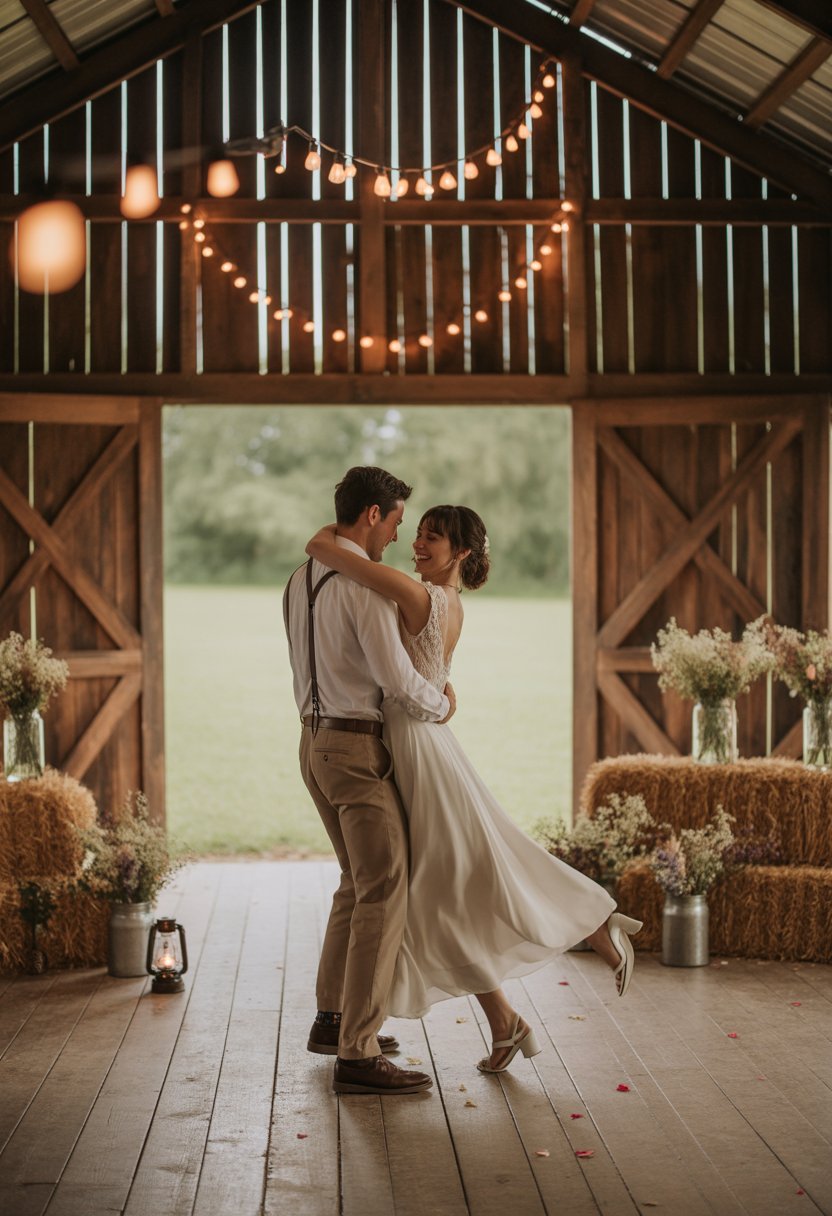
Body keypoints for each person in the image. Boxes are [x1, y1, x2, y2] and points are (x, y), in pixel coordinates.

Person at [306, 503, 642, 1073]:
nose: (417, 546)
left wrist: (327, 531)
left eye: (432, 539)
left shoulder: (420, 597)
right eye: (416, 535)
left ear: (461, 552)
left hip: (416, 748)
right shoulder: (444, 600)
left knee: (468, 875)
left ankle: (591, 923)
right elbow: (429, 668)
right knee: (447, 890)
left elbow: (327, 553)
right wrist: (444, 693)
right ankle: (505, 1021)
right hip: (416, 742)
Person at [283, 466, 457, 1096]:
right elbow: (396, 681)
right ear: (374, 516)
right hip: (354, 749)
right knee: (384, 885)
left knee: (356, 883)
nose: (395, 540)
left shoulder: (299, 578)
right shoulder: (363, 587)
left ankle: (333, 1022)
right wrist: (443, 703)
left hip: (312, 743)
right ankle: (356, 1054)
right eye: (395, 523)